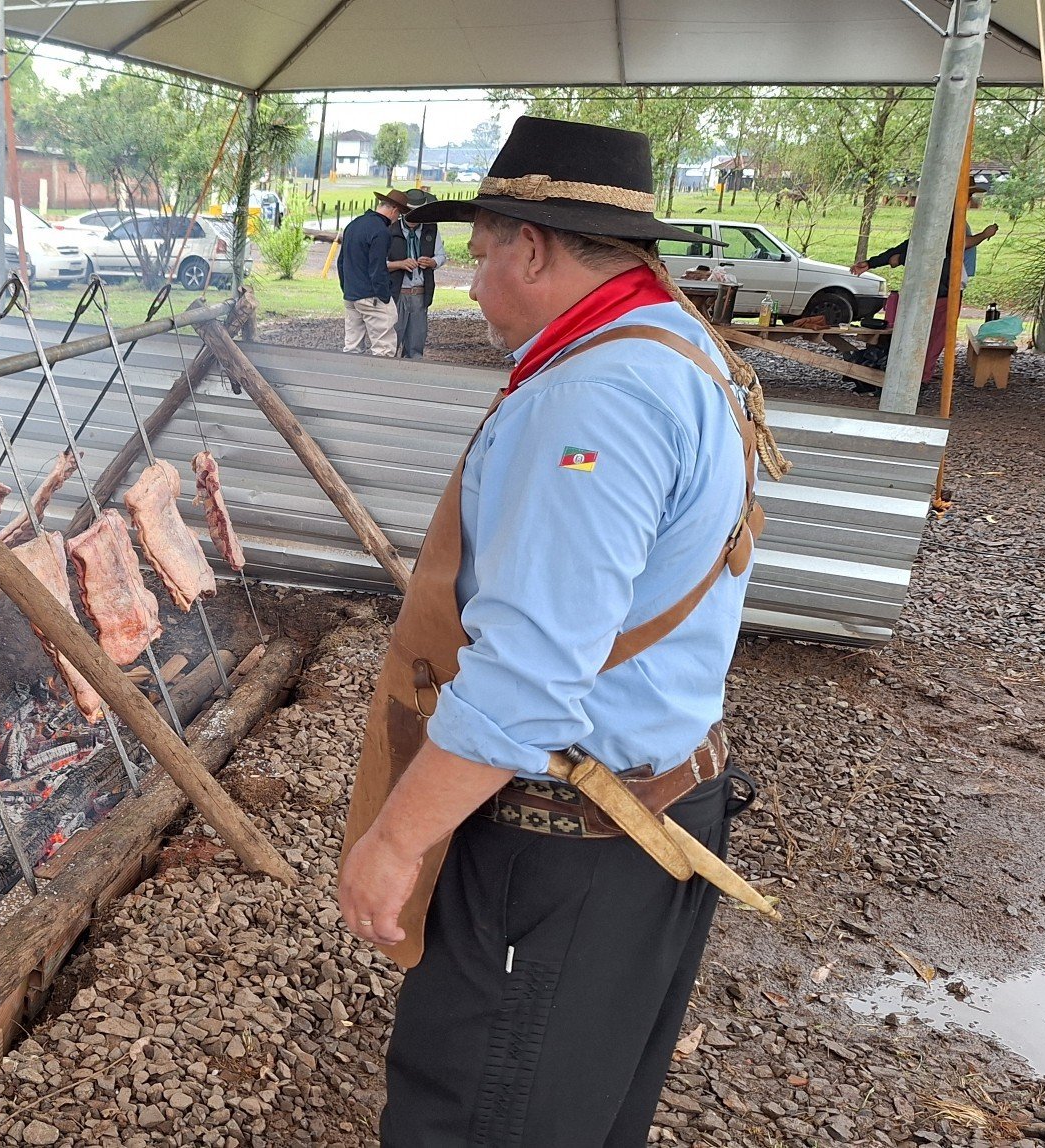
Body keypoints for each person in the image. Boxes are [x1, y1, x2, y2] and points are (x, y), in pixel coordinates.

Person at [336, 114, 789, 1148]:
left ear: (532, 247)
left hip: (561, 850)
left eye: (482, 252)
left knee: (477, 1116)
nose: (470, 279)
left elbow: (530, 676)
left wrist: (398, 839)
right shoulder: (677, 346)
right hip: (653, 815)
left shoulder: (591, 394)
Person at [851, 210, 999, 393]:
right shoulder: (933, 220)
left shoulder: (953, 222)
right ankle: (906, 378)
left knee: (935, 339)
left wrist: (984, 235)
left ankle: (919, 380)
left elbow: (956, 244)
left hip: (945, 293)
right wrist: (873, 262)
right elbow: (911, 246)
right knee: (914, 336)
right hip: (923, 292)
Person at [339, 189, 404, 356]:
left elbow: (341, 262)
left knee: (352, 347)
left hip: (351, 294)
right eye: (400, 214)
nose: (398, 219)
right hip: (371, 295)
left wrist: (347, 288)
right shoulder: (381, 231)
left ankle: (350, 380)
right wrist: (384, 296)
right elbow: (378, 268)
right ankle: (381, 381)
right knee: (384, 348)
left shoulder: (354, 224)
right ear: (394, 210)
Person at [386, 189, 445, 359]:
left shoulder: (430, 230)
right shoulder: (391, 229)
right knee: (391, 342)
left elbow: (441, 255)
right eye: (409, 211)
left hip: (420, 294)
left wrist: (433, 262)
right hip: (396, 294)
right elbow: (378, 263)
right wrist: (400, 264)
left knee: (416, 345)